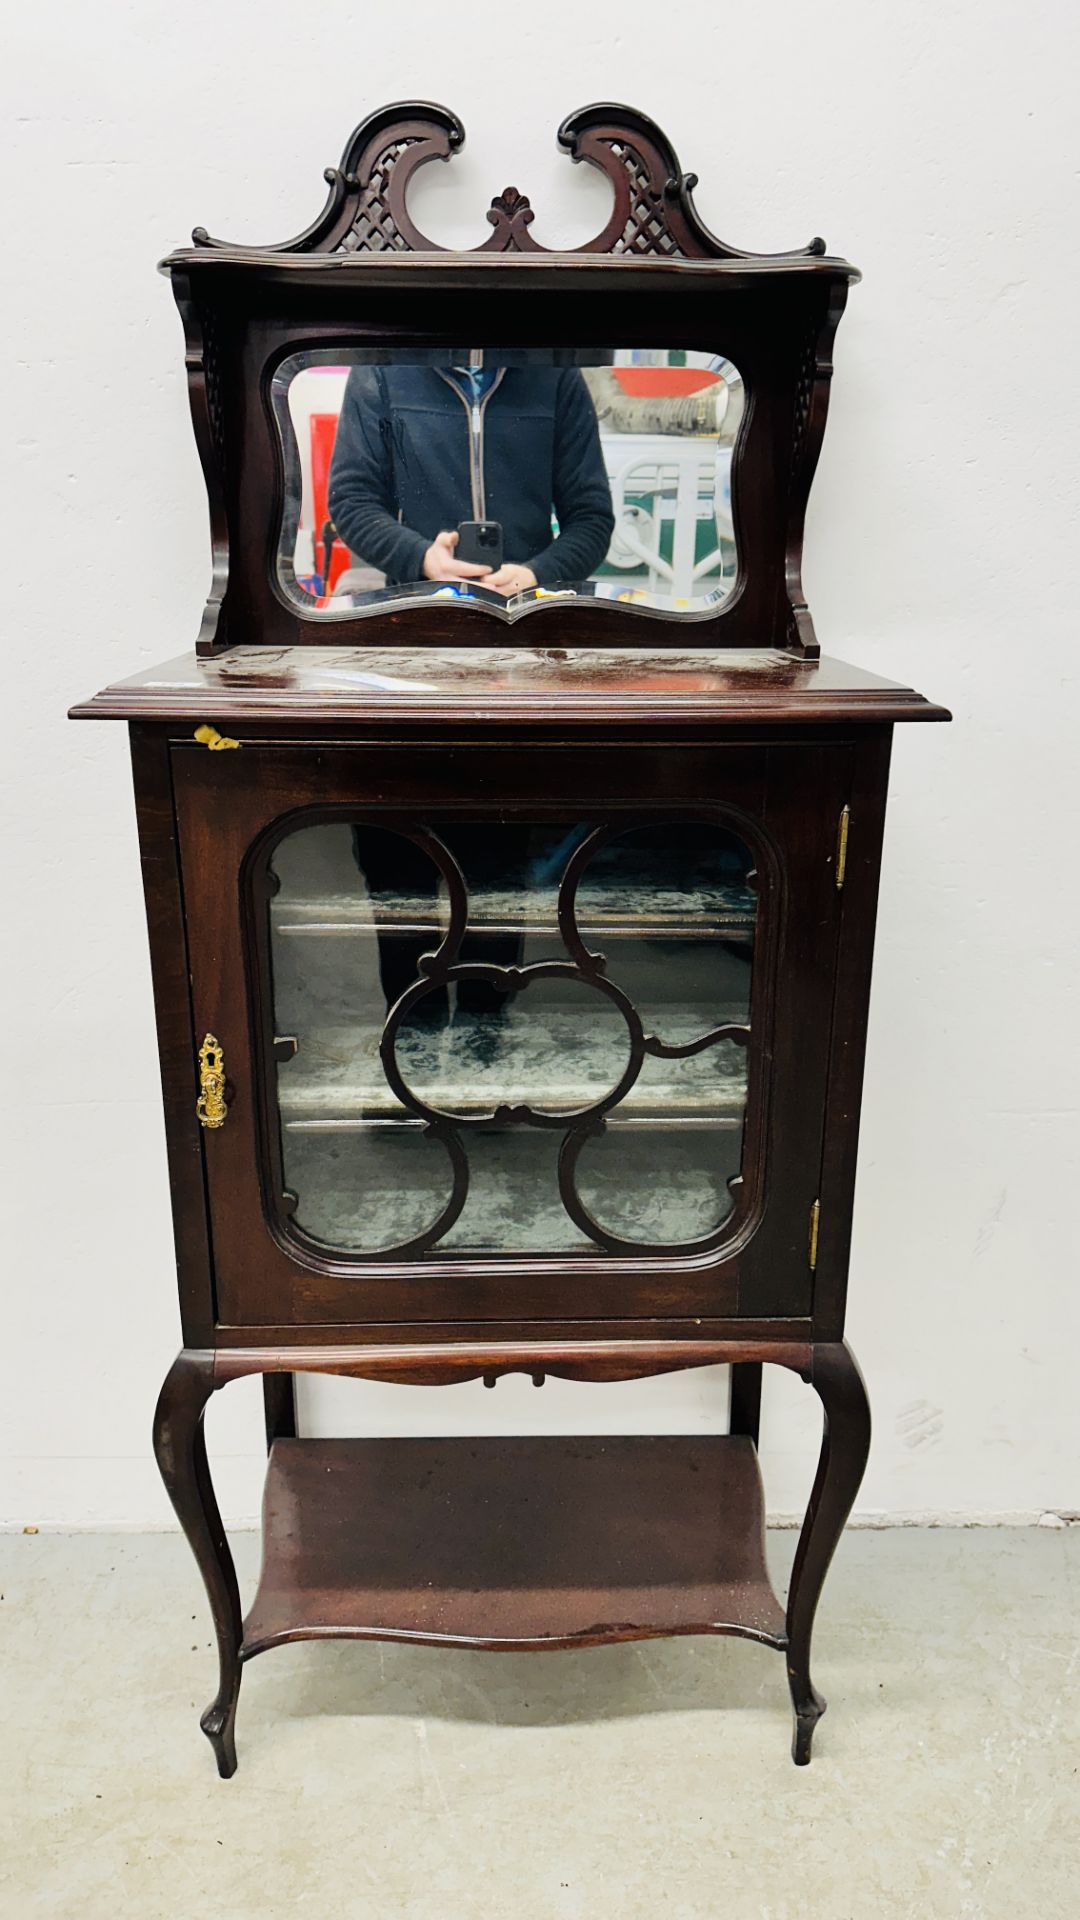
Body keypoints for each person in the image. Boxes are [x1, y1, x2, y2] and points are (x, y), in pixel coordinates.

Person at [326, 360, 615, 595]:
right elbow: (352, 501)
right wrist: (422, 558)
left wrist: (537, 574)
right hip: (419, 608)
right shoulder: (381, 369)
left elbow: (592, 518)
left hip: (532, 610)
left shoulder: (556, 374)